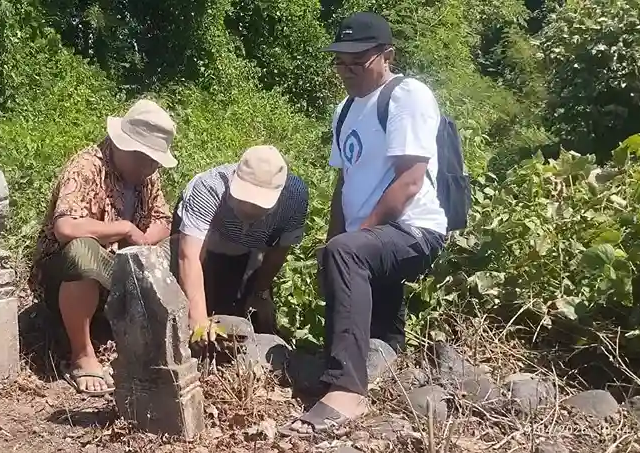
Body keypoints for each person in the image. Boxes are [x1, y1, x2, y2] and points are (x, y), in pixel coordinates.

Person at [279, 11, 449, 436]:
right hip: (373, 235)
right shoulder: (346, 109)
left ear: (386, 56)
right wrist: (335, 238)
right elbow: (344, 181)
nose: (347, 70)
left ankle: (348, 390)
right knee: (339, 254)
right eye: (340, 61)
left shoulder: (407, 95)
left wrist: (356, 237)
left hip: (414, 230)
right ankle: (385, 355)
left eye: (358, 61)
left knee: (348, 252)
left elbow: (409, 181)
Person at [28, 98, 178, 396]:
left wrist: (146, 241)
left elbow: (164, 218)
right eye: (144, 158)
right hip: (65, 275)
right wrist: (122, 228)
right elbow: (66, 227)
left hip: (117, 269)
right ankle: (82, 356)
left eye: (154, 161)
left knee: (177, 247)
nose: (150, 167)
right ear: (123, 145)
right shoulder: (86, 166)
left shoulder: (147, 177)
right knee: (82, 250)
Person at [173, 145, 309, 336]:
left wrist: (260, 292)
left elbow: (279, 251)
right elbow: (189, 256)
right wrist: (198, 319)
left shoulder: (295, 197)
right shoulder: (209, 188)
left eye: (259, 204)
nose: (249, 208)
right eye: (244, 198)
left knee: (230, 312)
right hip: (203, 239)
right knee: (184, 307)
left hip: (248, 246)